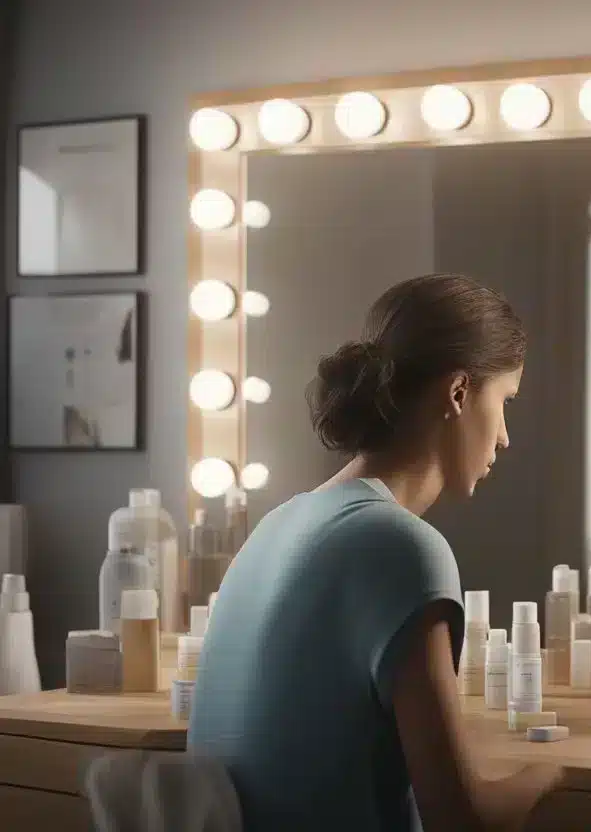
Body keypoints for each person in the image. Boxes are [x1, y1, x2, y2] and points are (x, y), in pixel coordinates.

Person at [189, 273, 563, 831]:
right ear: (458, 393)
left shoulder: (276, 526)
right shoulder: (401, 546)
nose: (505, 436)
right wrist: (562, 773)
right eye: (504, 400)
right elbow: (463, 821)